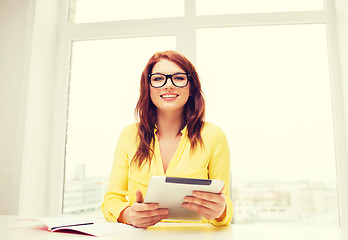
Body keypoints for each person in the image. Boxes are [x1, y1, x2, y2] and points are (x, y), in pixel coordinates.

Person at [101, 50, 233, 228]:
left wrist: (221, 211)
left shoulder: (213, 136)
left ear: (191, 87)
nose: (168, 85)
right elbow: (112, 199)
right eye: (158, 79)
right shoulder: (129, 136)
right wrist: (128, 215)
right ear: (147, 87)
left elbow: (226, 203)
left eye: (178, 78)